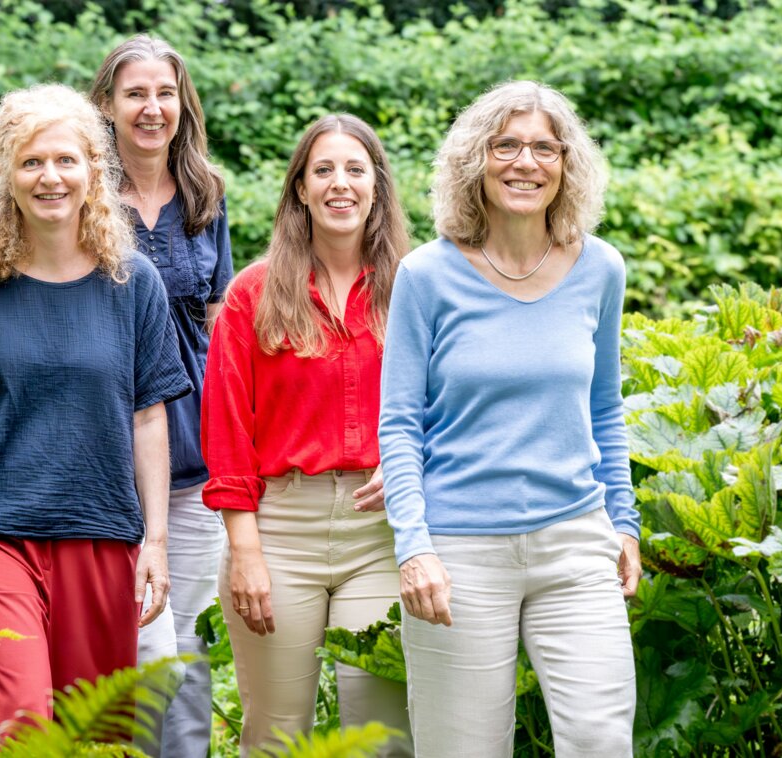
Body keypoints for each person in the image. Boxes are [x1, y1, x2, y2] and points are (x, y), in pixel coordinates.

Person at [0, 83, 192, 748]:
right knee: (25, 721)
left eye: (65, 160)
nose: (49, 177)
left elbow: (149, 418)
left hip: (100, 535)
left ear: (93, 170)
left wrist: (157, 544)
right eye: (31, 162)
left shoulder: (133, 283)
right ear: (7, 175)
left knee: (93, 733)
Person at [378, 80, 641, 757]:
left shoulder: (602, 268)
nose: (526, 162)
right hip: (460, 553)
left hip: (577, 546)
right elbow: (400, 424)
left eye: (544, 148)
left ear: (566, 165)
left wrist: (624, 522)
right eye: (507, 145)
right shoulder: (425, 276)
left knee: (602, 742)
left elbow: (605, 409)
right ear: (477, 161)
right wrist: (415, 547)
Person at [202, 114, 413, 757]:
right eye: (323, 170)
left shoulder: (416, 287)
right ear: (300, 188)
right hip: (279, 532)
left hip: (381, 533)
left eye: (356, 170)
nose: (339, 184)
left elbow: (449, 405)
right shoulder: (252, 294)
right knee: (274, 736)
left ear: (377, 186)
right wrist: (246, 550)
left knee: (381, 738)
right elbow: (228, 429)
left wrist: (414, 466)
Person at [89, 35, 233, 758]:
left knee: (187, 637)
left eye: (165, 93)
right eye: (136, 94)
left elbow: (221, 330)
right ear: (107, 105)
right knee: (123, 639)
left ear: (184, 105)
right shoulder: (79, 192)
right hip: (103, 448)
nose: (152, 108)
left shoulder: (208, 194)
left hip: (195, 448)